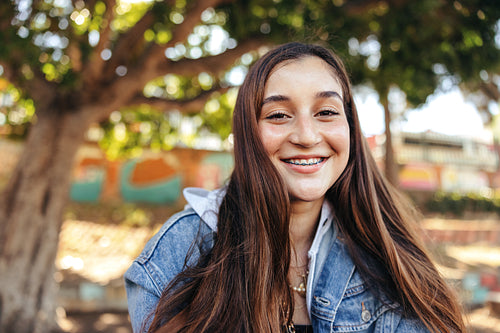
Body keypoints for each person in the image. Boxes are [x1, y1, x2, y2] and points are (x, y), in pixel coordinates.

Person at [125, 42, 465, 333]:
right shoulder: (181, 248)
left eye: (326, 112)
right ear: (247, 134)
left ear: (350, 127)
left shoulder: (385, 254)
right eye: (278, 115)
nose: (306, 136)